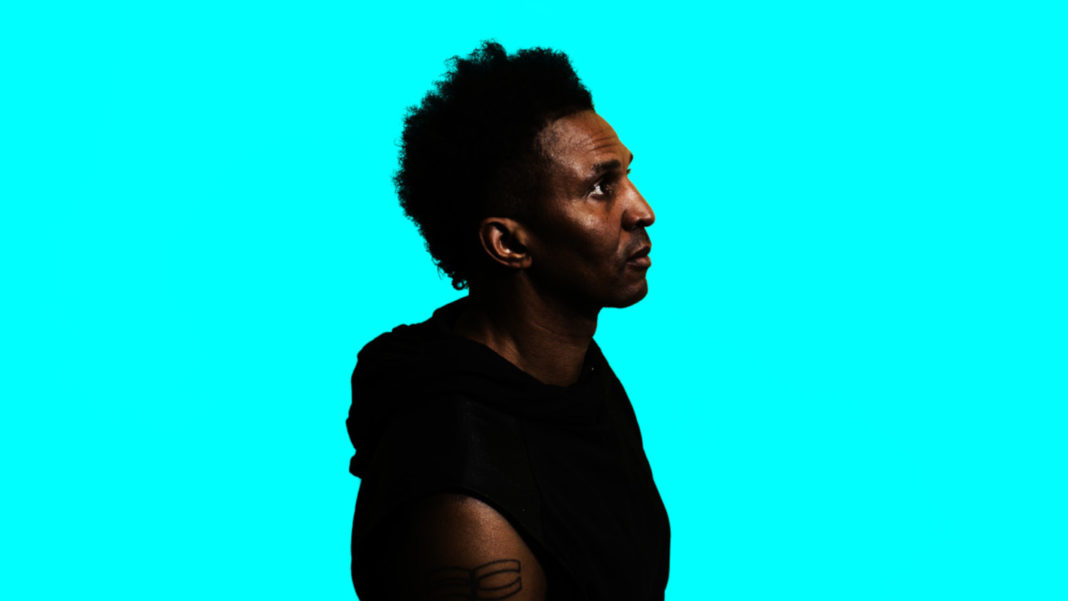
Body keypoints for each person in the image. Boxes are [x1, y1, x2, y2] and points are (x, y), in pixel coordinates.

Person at [347, 41, 669, 600]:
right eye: (600, 188)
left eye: (627, 176)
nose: (643, 210)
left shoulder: (571, 376)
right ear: (509, 243)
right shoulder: (463, 504)